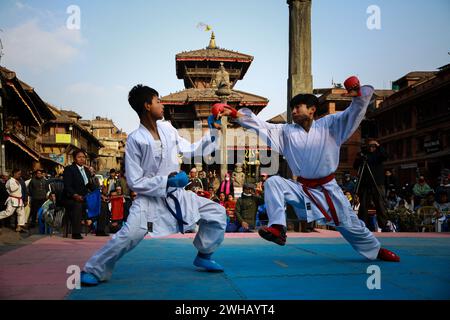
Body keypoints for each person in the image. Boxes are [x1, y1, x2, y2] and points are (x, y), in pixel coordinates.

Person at [216, 76, 400, 262]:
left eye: (298, 107)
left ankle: (376, 251)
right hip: (302, 189)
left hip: (328, 189)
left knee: (349, 224)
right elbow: (261, 126)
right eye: (292, 108)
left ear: (312, 110)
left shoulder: (330, 125)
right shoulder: (286, 132)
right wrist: (234, 114)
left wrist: (358, 95)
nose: (294, 111)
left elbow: (353, 113)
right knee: (273, 182)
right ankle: (278, 228)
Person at [80, 84, 226, 286]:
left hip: (178, 195)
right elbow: (135, 181)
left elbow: (192, 150)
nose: (162, 105)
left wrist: (212, 133)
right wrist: (168, 181)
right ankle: (94, 269)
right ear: (147, 106)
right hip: (149, 201)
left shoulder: (168, 129)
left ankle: (204, 254)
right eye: (158, 101)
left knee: (217, 213)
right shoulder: (135, 140)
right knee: (129, 235)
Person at [353, 139, 389, 231]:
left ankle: (383, 225)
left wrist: (379, 145)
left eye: (373, 146)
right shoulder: (363, 155)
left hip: (377, 183)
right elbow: (355, 165)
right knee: (364, 205)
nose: (371, 148)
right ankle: (362, 224)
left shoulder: (379, 154)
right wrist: (360, 157)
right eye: (370, 146)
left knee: (380, 204)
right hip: (365, 183)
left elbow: (385, 155)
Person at [63, 149, 97, 239]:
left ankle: (100, 230)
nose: (82, 159)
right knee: (77, 205)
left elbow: (89, 185)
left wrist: (99, 193)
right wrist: (75, 195)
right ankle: (76, 233)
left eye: (83, 157)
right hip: (71, 198)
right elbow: (67, 186)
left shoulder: (86, 170)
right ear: (74, 159)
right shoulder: (69, 169)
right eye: (79, 157)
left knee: (103, 203)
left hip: (84, 197)